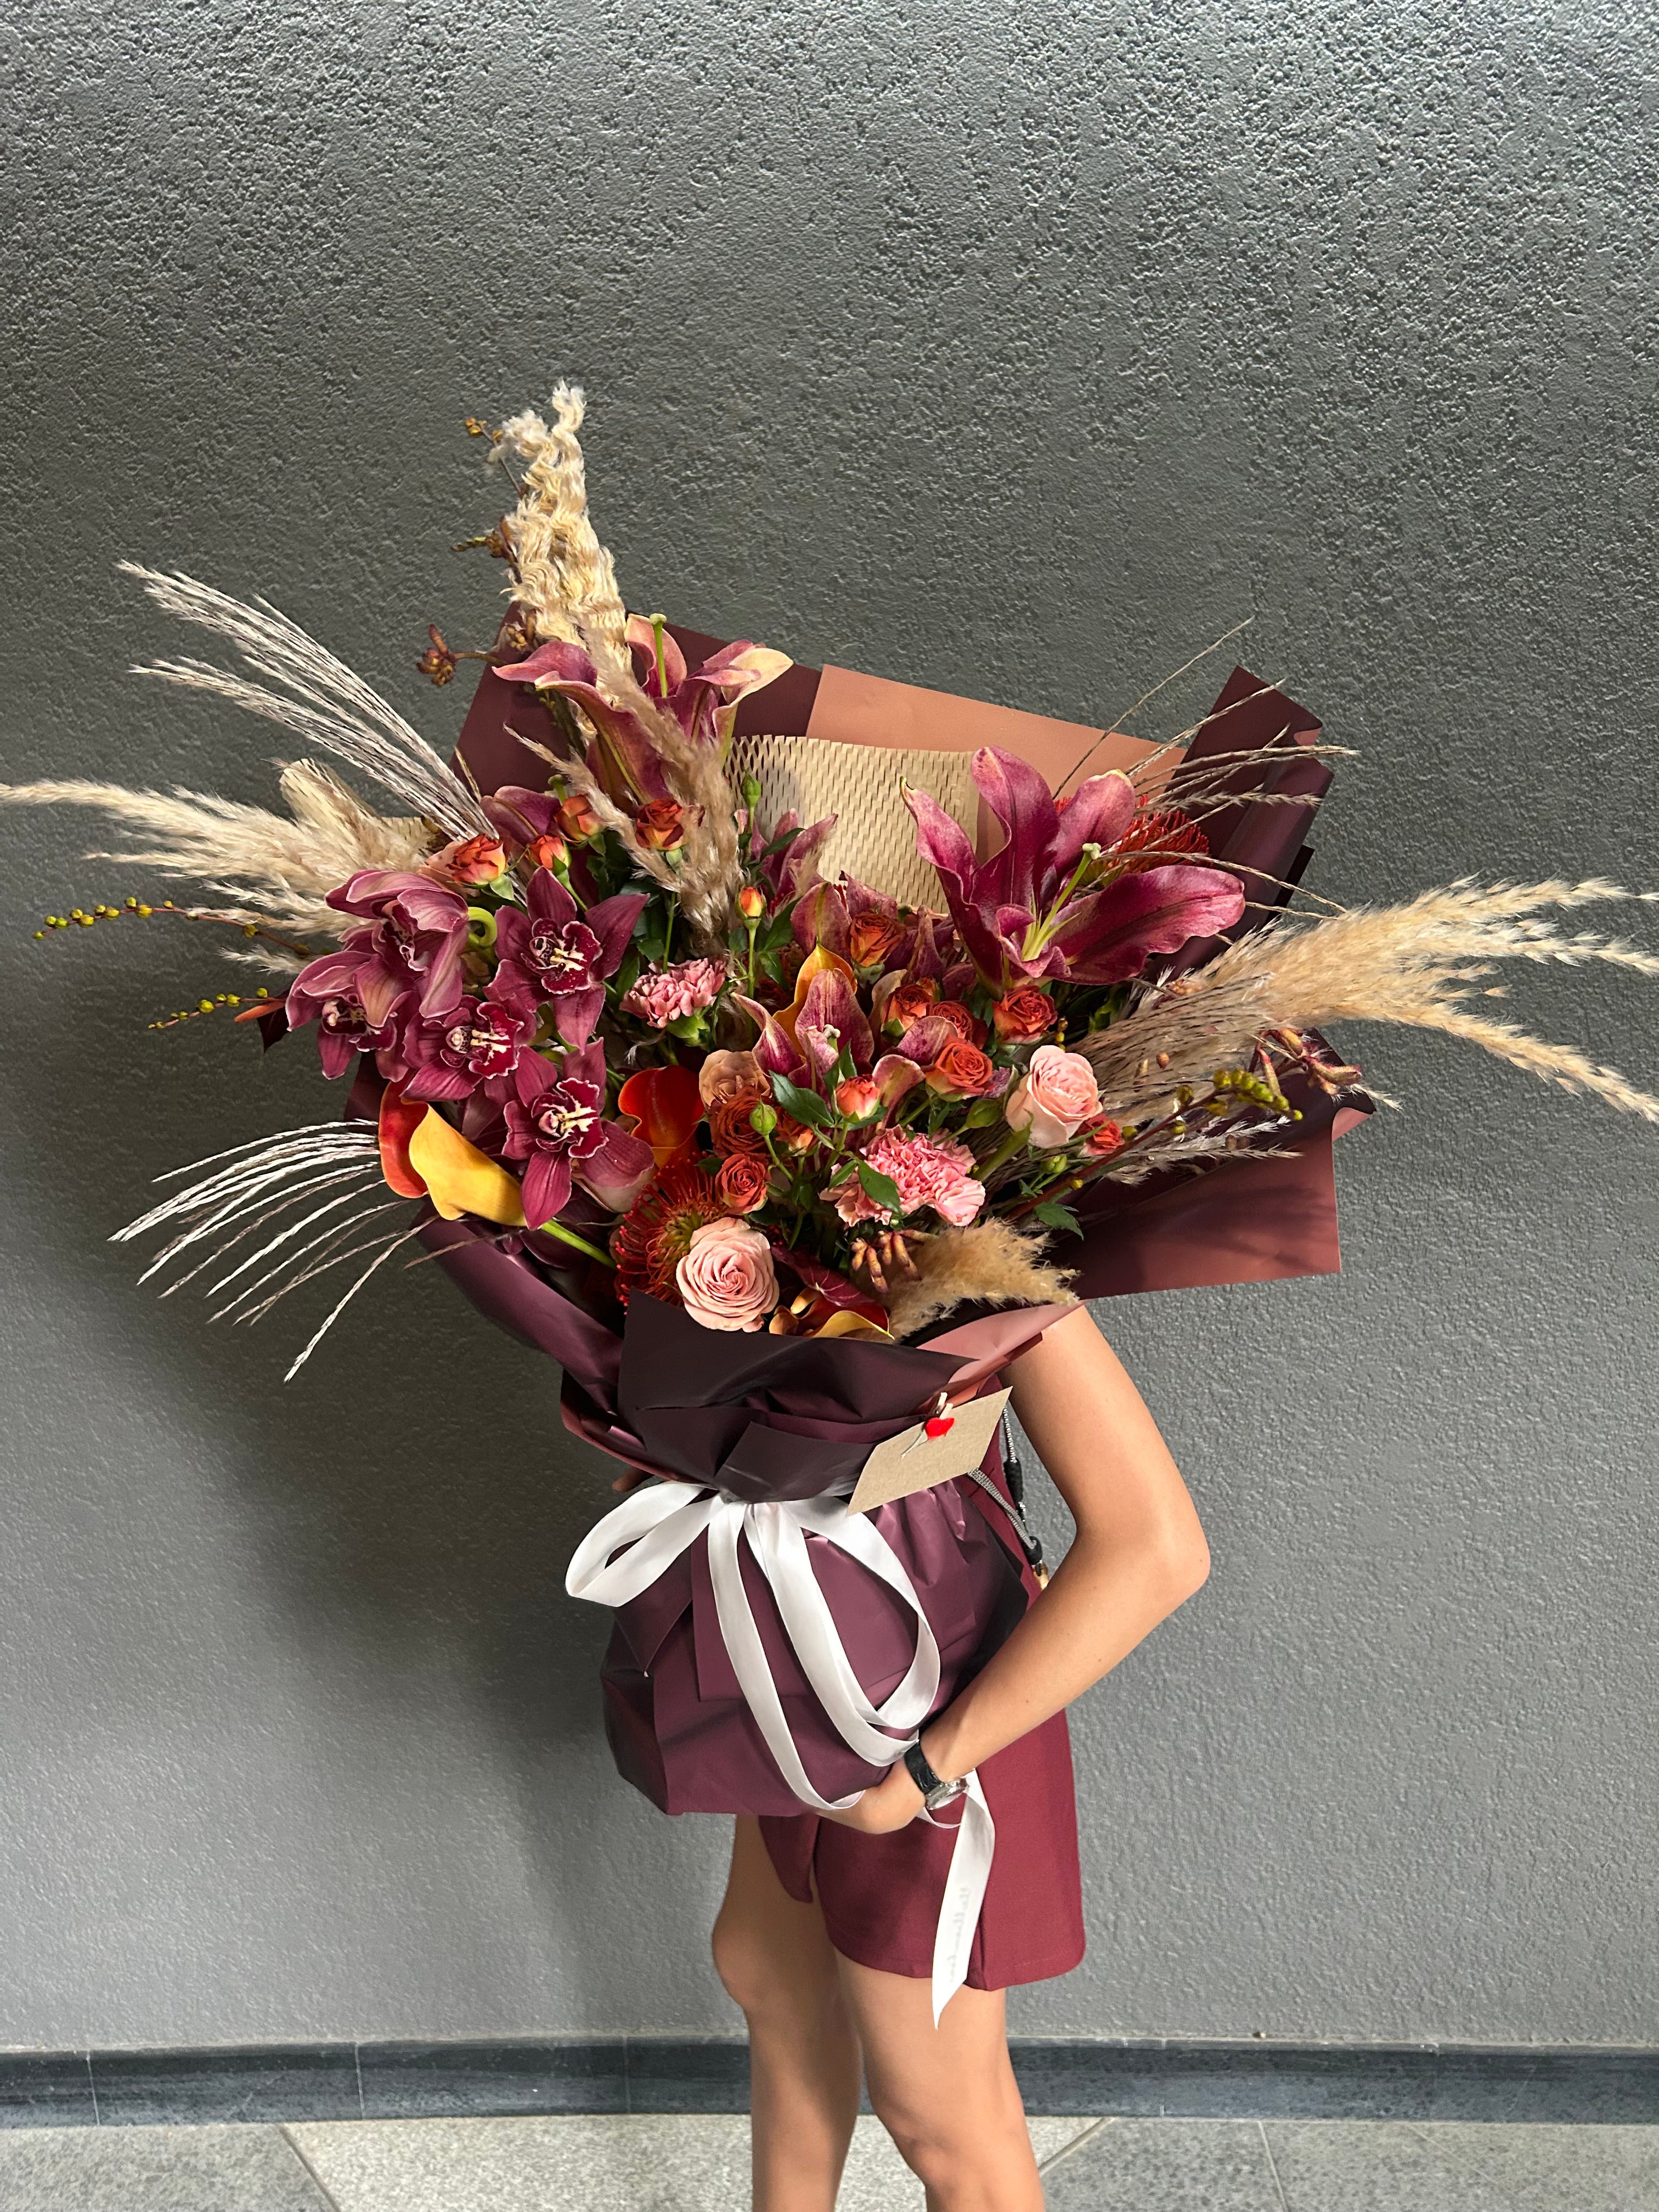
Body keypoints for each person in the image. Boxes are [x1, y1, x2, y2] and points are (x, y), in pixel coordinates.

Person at [709, 1301, 1212, 2210]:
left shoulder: (974, 1232)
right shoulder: (738, 1223)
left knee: (944, 2120)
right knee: (774, 1984)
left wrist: (924, 1774)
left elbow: (1158, 1548)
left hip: (936, 1718)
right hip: (801, 1666)